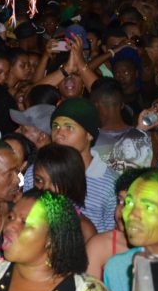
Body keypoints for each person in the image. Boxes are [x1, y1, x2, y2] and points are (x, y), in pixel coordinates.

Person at [51, 98, 120, 233]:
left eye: (69, 127)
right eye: (55, 126)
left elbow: (111, 238)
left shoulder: (110, 183)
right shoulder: (38, 171)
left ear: (89, 134)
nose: (59, 133)